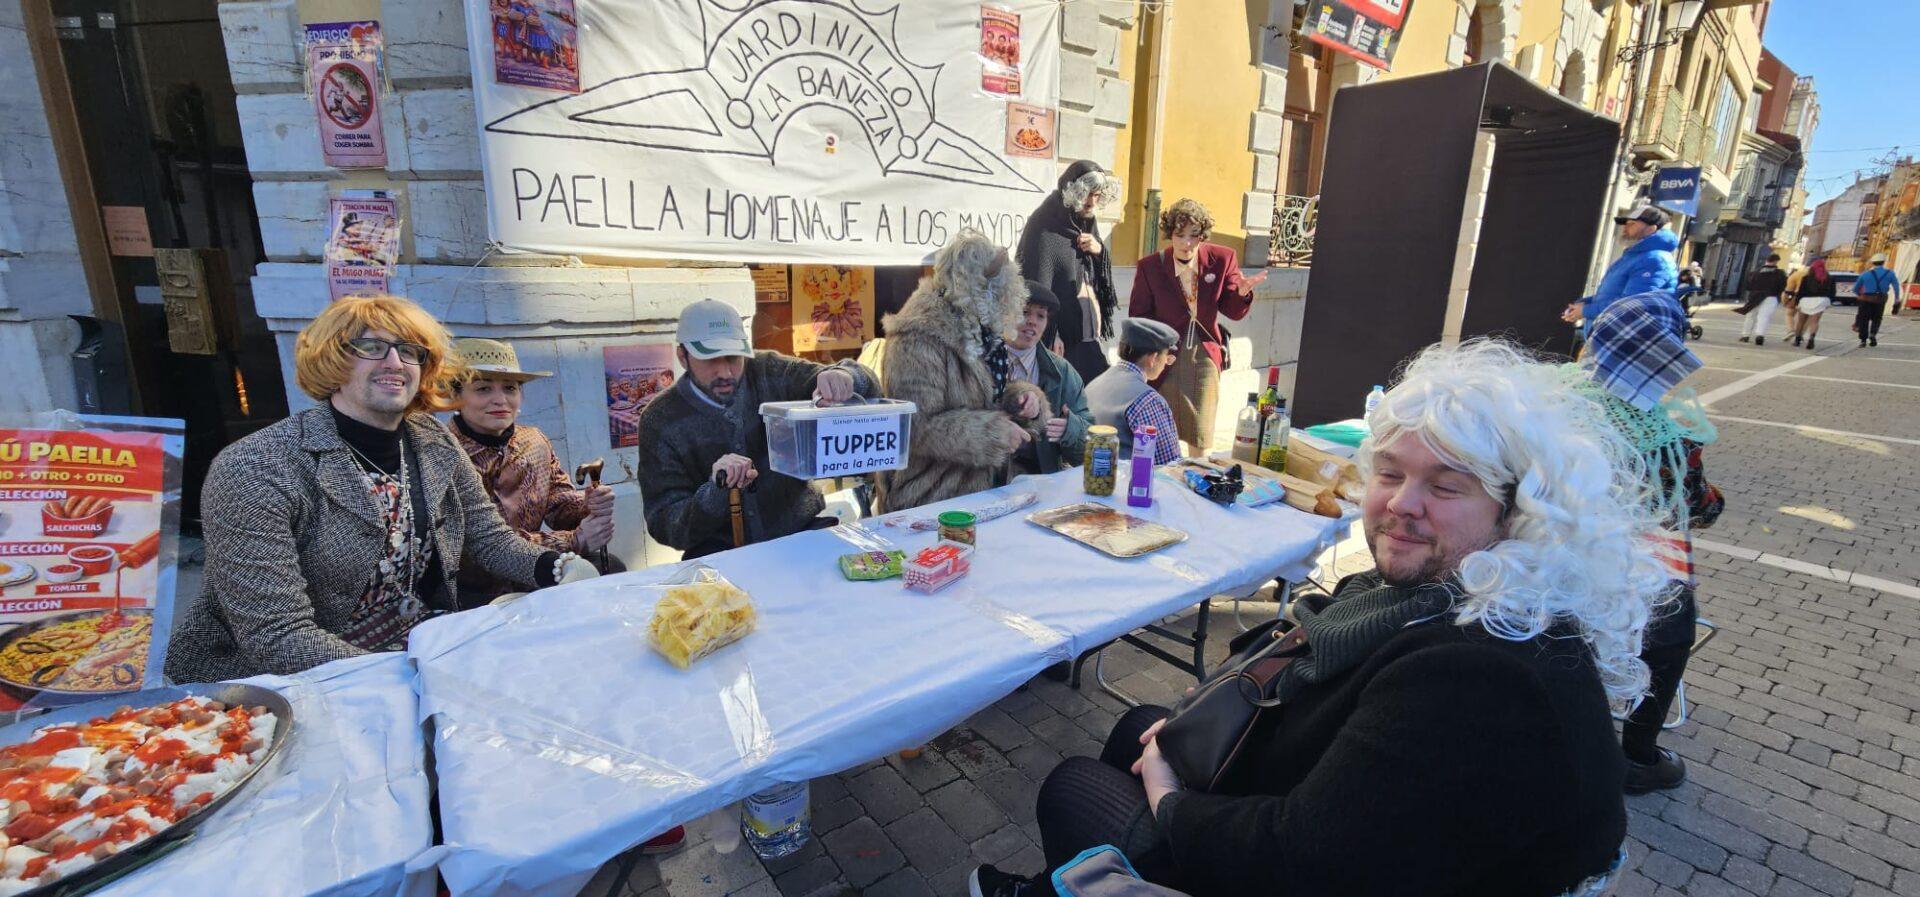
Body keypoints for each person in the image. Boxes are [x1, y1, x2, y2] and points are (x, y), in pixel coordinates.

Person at [972, 339, 1664, 897]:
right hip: (1354, 825)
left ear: (1518, 511)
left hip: (1321, 864)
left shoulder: (1482, 676)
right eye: (1391, 473)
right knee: (1139, 726)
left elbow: (1310, 861)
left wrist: (1169, 802)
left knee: (1075, 787)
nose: (1401, 503)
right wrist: (1191, 721)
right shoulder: (1454, 593)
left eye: (1446, 485)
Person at [169, 296, 596, 683]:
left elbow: (488, 537)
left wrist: (555, 567)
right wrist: (403, 677)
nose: (395, 362)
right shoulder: (256, 466)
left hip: (412, 640)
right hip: (285, 678)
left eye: (410, 351)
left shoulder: (429, 436)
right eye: (371, 347)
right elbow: (277, 633)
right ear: (332, 360)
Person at [1578, 292, 1724, 793]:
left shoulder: (1553, 396)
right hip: (1613, 562)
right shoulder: (1668, 435)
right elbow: (1697, 508)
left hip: (1535, 547)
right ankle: (1637, 755)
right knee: (1673, 621)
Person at [636, 299, 874, 558]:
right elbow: (665, 524)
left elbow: (865, 381)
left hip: (800, 535)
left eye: (733, 358)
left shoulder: (767, 370)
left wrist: (845, 378)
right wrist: (716, 492)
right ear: (683, 356)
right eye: (711, 359)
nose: (725, 371)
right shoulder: (660, 420)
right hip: (719, 555)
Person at [875, 232, 1050, 513]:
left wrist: (1023, 399)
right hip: (930, 498)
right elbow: (916, 428)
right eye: (996, 288)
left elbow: (986, 394)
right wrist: (994, 432)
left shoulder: (978, 325)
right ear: (974, 285)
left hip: (978, 493)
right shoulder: (917, 336)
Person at [448, 338, 620, 605]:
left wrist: (588, 505)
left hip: (539, 572)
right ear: (455, 397)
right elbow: (476, 548)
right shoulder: (443, 454)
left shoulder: (534, 441)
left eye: (510, 388)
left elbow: (558, 504)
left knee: (612, 569)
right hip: (474, 587)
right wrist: (575, 539)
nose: (500, 400)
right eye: (483, 389)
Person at [1128, 198, 1265, 453]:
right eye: (1180, 235)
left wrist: (1242, 293)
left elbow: (1232, 311)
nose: (1186, 243)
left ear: (1202, 235)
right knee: (1154, 430)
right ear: (1170, 234)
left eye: (1193, 236)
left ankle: (1195, 478)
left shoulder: (1222, 259)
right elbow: (1139, 316)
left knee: (1200, 433)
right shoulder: (1151, 266)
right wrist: (1154, 352)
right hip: (1163, 357)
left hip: (1204, 355)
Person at [1019, 160, 1123, 383]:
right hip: (1060, 343)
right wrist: (1052, 331)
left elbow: (1098, 280)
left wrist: (1099, 251)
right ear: (1074, 191)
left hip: (1088, 337)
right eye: (1087, 194)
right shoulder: (1045, 224)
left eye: (1097, 195)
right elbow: (1038, 286)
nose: (1091, 202)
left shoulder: (1086, 222)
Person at [1010, 279, 1093, 475]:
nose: (1032, 321)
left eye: (1040, 316)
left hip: (1041, 482)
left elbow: (1089, 451)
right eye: (1024, 312)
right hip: (984, 487)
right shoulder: (979, 361)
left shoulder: (1062, 372)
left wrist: (1070, 430)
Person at [1564, 205, 1679, 334]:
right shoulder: (1633, 256)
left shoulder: (1654, 259)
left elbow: (1632, 305)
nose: (1625, 227)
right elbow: (1612, 294)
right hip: (1611, 335)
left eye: (1632, 224)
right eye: (1626, 223)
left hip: (1628, 338)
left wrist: (1586, 311)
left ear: (1651, 229)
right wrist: (1583, 305)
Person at [1083, 318, 1183, 466]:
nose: (1166, 364)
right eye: (1167, 357)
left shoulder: (1094, 384)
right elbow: (1170, 465)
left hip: (1087, 476)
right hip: (1123, 482)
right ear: (1153, 358)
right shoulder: (1148, 401)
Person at [1736, 253, 1789, 345]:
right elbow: (1783, 286)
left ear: (1766, 260)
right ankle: (1760, 335)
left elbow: (1748, 286)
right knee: (1764, 317)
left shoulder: (1755, 272)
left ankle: (1745, 335)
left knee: (1750, 316)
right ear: (1776, 262)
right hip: (1771, 297)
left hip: (1755, 296)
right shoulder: (1780, 274)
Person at [1786, 258, 1836, 350]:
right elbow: (1833, 292)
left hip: (1806, 300)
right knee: (1814, 321)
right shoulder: (1829, 278)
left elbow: (1801, 291)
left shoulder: (1806, 277)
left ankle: (1797, 340)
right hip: (1821, 300)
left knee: (1801, 321)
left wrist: (1797, 302)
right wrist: (1830, 301)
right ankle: (1811, 338)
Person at [1854, 253, 1901, 348]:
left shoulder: (1865, 274)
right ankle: (1873, 334)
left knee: (1864, 319)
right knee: (1877, 318)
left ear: (1872, 263)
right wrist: (1896, 298)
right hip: (1881, 299)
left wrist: (1860, 295)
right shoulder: (1890, 273)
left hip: (1866, 299)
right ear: (1883, 262)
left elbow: (1855, 289)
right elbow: (1896, 286)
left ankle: (1863, 340)